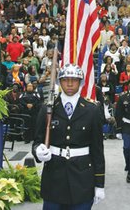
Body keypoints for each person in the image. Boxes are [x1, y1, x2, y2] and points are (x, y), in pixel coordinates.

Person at [32, 63, 105, 209]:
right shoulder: (48, 108)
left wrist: (99, 184)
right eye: (65, 80)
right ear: (59, 82)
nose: (70, 84)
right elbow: (37, 141)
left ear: (81, 83)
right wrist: (38, 152)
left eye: (74, 80)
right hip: (54, 178)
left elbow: (97, 150)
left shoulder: (92, 110)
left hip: (82, 178)